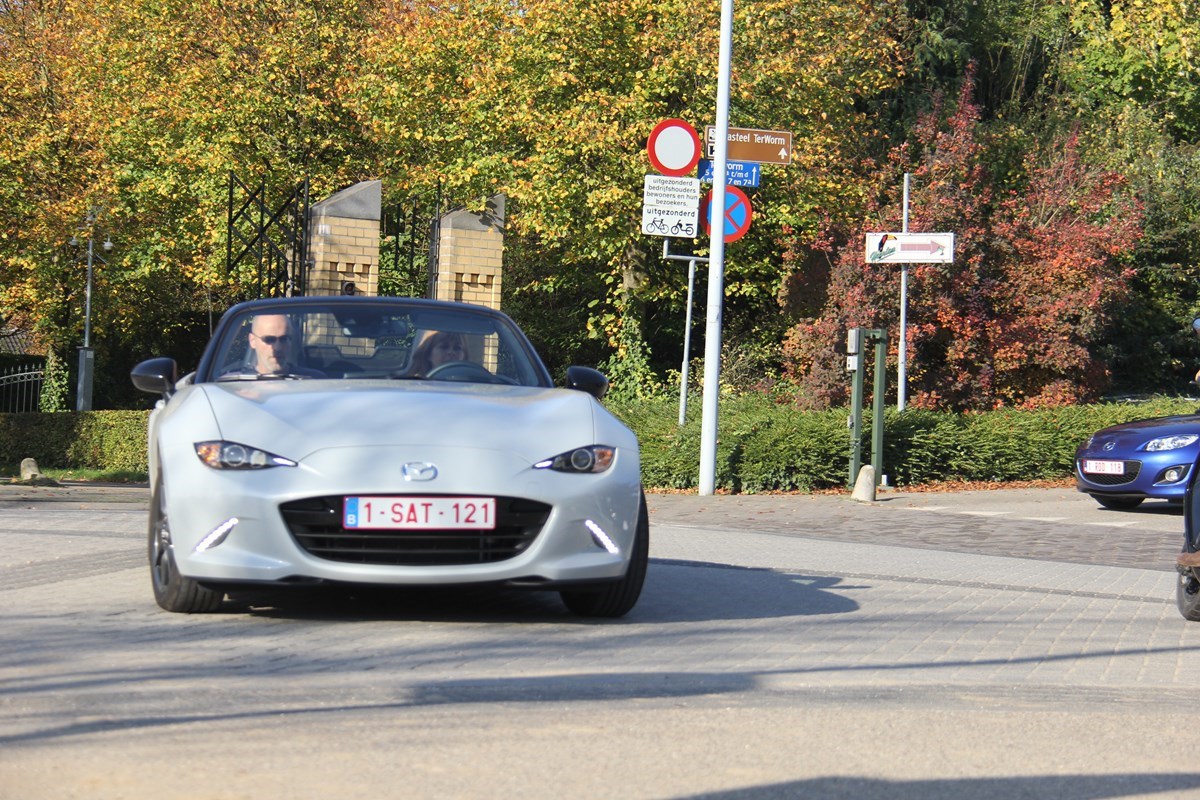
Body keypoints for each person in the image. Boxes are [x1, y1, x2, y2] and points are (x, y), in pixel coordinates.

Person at [246, 314, 322, 377]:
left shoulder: (314, 381)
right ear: (252, 341)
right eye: (269, 339)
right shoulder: (240, 383)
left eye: (284, 339)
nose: (277, 348)